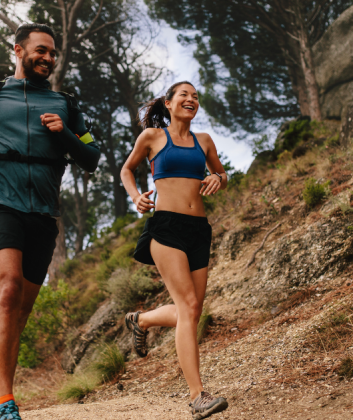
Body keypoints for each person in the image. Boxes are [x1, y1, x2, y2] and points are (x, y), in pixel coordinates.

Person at [0, 23, 100, 420]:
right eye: (41, 51)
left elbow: (91, 155)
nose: (48, 58)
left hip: (44, 211)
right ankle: (5, 401)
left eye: (52, 53)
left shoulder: (66, 104)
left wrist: (64, 133)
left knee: (23, 309)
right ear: (18, 50)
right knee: (8, 291)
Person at [120, 81, 229, 420]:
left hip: (199, 229)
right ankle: (198, 396)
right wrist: (136, 195)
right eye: (184, 95)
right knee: (189, 306)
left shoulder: (204, 141)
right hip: (165, 227)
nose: (191, 100)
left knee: (191, 312)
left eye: (195, 97)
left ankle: (142, 320)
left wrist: (218, 179)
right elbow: (127, 169)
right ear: (168, 103)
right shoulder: (152, 137)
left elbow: (221, 172)